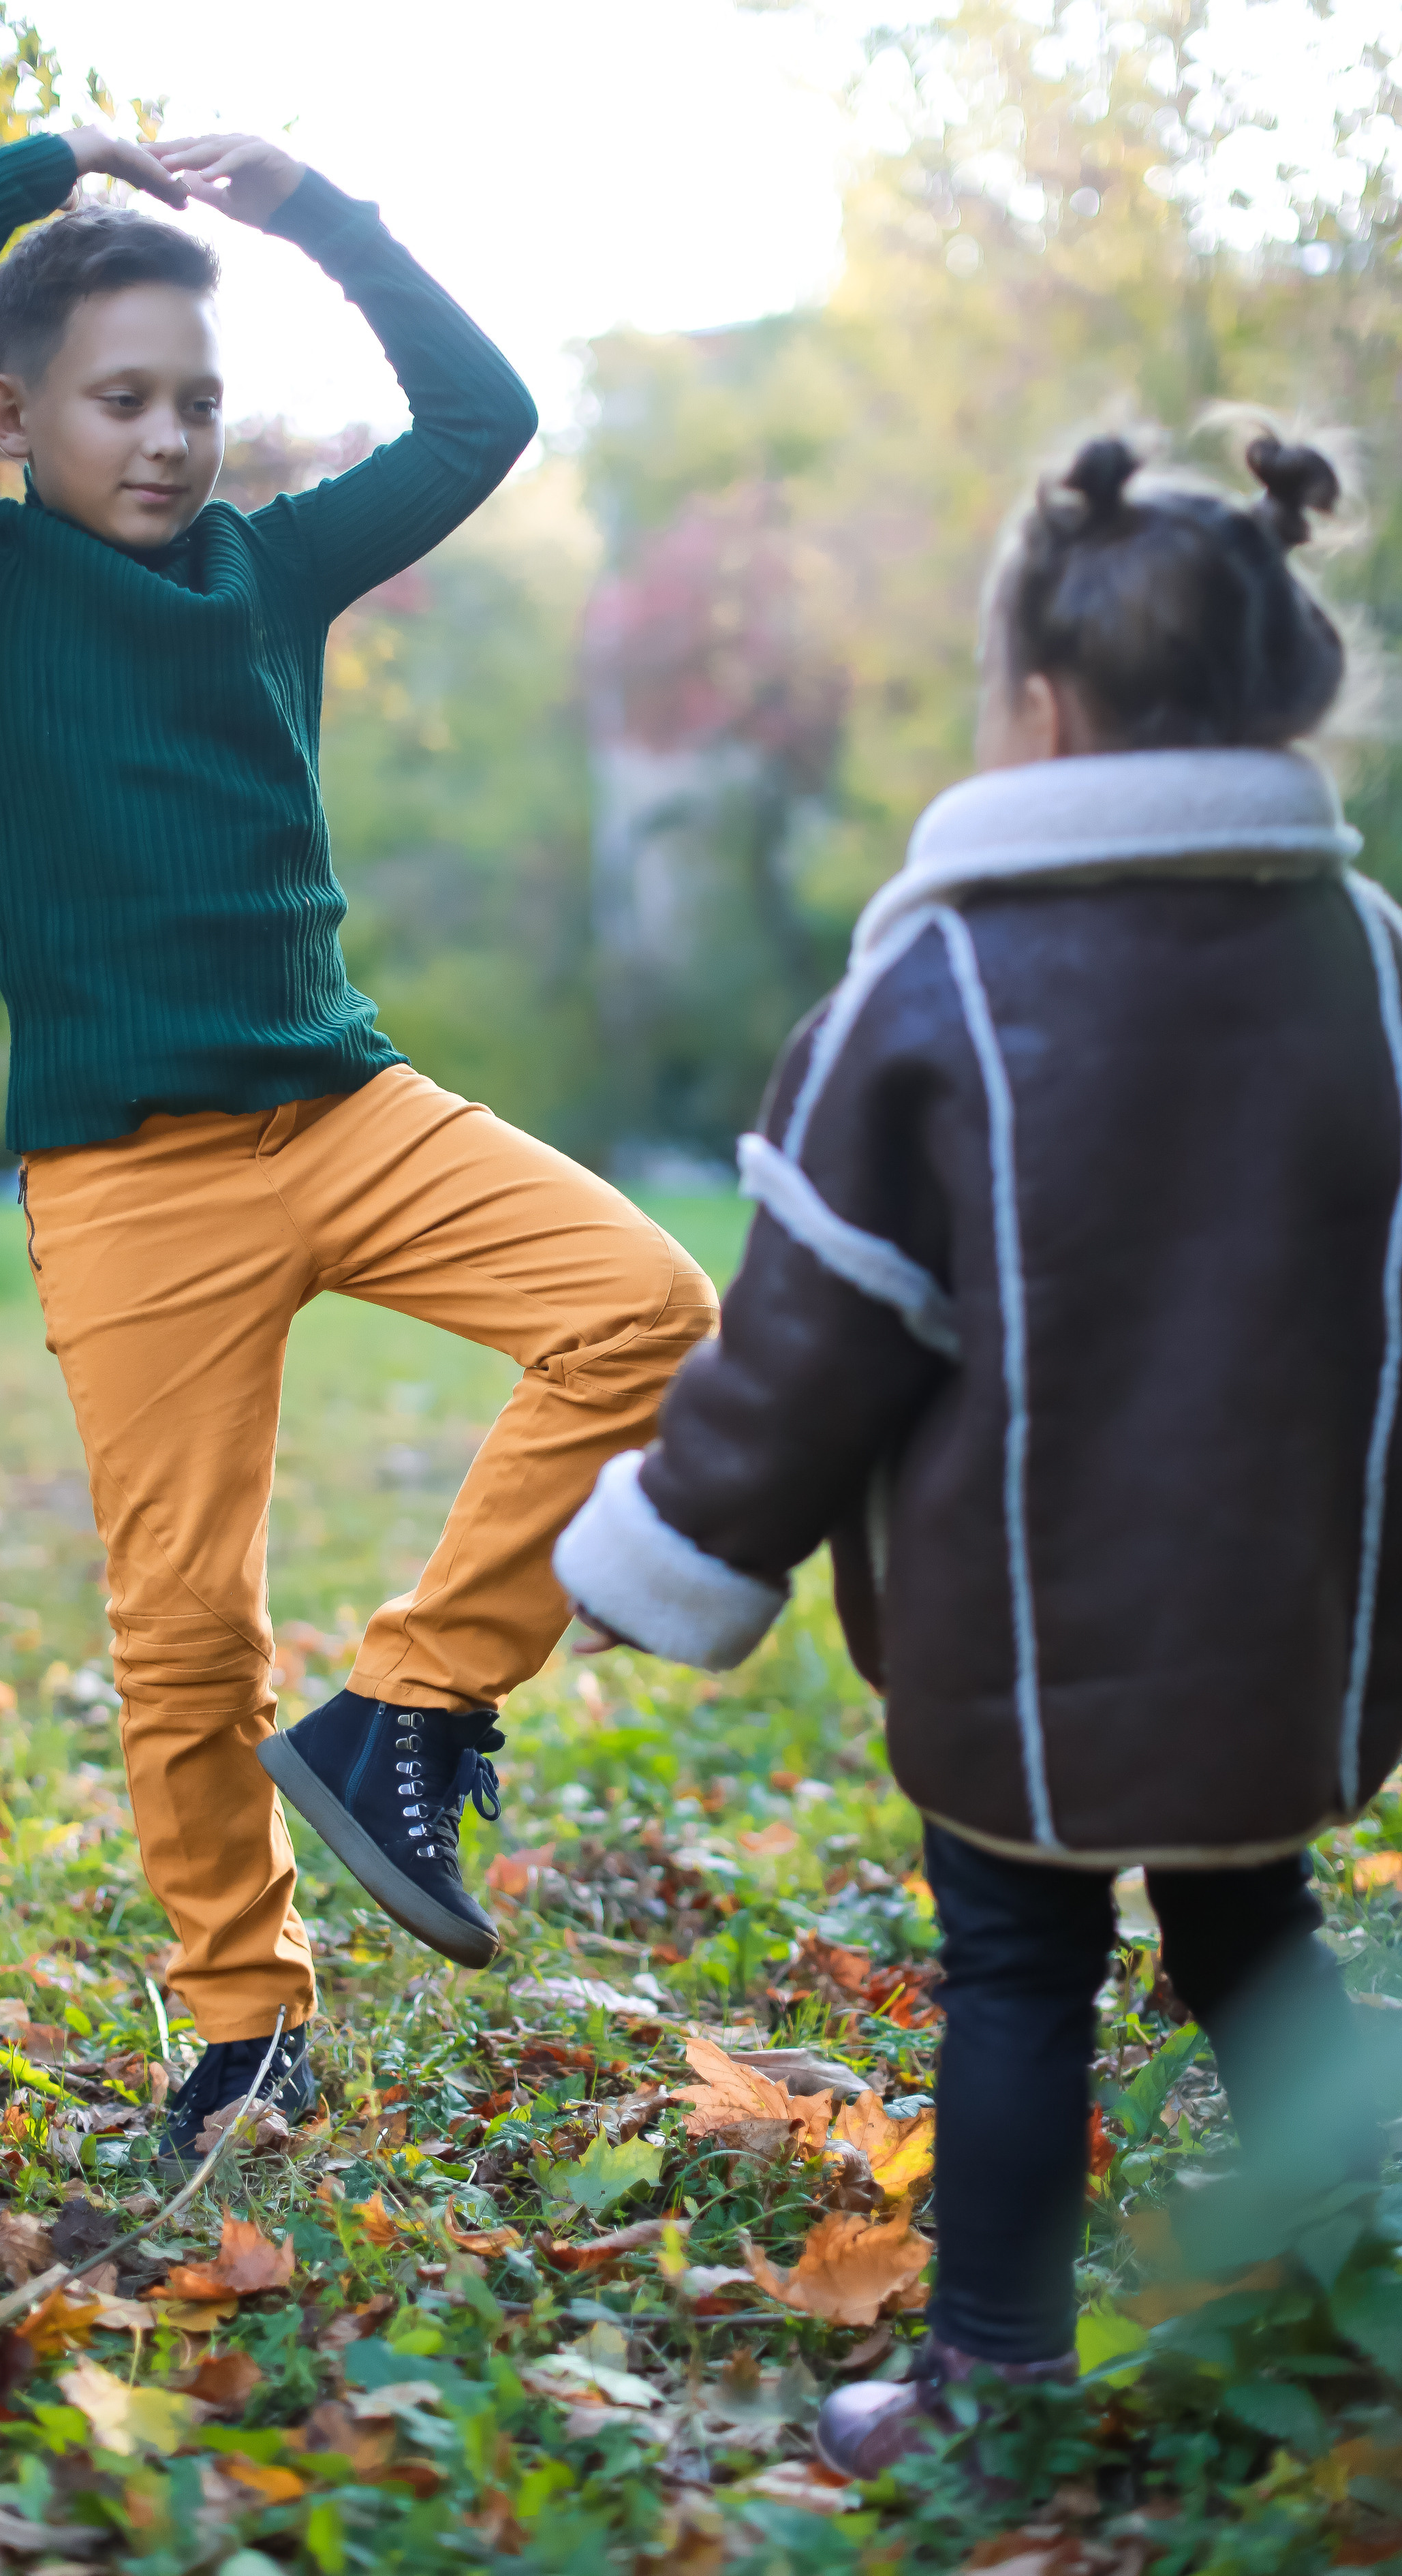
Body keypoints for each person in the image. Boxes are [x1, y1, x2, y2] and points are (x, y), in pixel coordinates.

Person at [0, 125, 715, 2164]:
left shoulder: (270, 563)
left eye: (198, 402)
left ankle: (409, 1704)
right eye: (121, 401)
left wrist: (308, 216)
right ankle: (242, 2024)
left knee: (644, 1302)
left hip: (346, 1103)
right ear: (12, 410)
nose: (167, 441)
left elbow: (485, 410)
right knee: (184, 1620)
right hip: (129, 1180)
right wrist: (20, 182)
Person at [553, 431, 1395, 2472]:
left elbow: (811, 1331)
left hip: (1026, 1639)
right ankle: (1361, 2273)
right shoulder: (1365, 960)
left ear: (1033, 701)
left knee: (1016, 1969)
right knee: (1248, 1924)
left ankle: (990, 2385)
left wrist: (665, 1547)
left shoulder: (931, 977)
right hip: (1285, 1627)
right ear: (1287, 684)